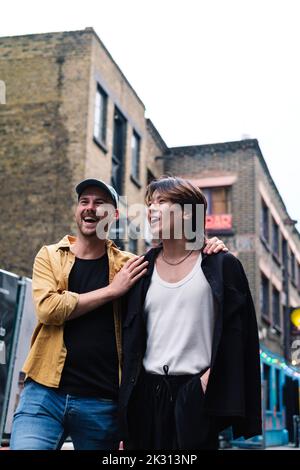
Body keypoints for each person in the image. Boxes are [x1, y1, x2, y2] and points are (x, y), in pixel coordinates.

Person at [10, 178, 227, 450]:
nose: (90, 208)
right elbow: (48, 309)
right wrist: (112, 291)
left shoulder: (131, 265)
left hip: (102, 402)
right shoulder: (51, 256)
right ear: (77, 210)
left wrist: (207, 244)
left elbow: (174, 263)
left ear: (113, 215)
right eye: (84, 202)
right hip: (44, 393)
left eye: (99, 203)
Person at [119, 176, 262, 450]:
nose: (151, 209)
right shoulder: (140, 269)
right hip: (145, 396)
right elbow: (129, 340)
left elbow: (239, 336)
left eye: (161, 202)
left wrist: (207, 383)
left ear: (188, 212)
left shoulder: (221, 265)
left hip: (195, 392)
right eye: (149, 203)